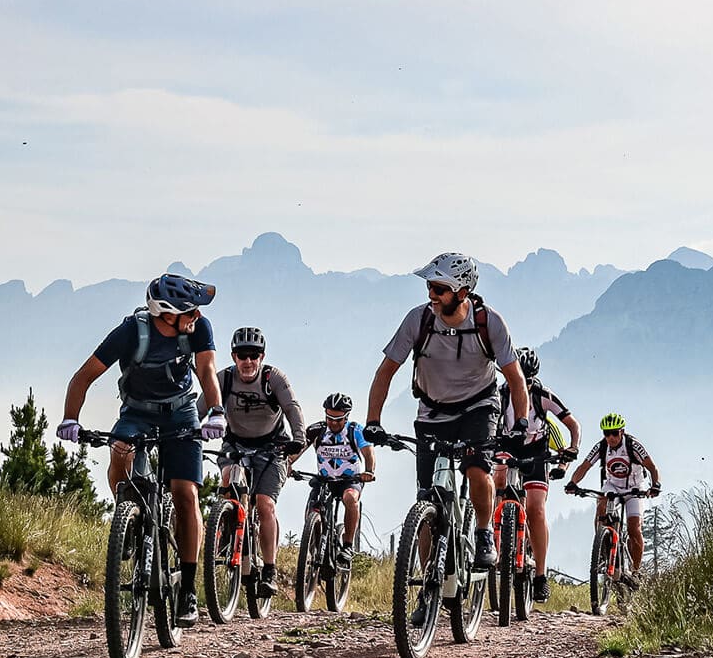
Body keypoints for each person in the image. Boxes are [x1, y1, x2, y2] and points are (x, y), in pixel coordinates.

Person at [57, 273, 225, 627]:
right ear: (167, 314)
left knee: (185, 494)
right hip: (137, 413)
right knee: (120, 452)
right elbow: (83, 377)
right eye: (189, 311)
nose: (196, 316)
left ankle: (188, 590)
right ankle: (129, 517)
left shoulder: (200, 329)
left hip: (181, 413)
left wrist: (216, 412)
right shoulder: (131, 332)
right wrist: (70, 419)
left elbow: (207, 370)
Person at [363, 252, 533, 571]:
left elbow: (515, 378)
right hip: (432, 411)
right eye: (429, 287)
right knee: (426, 499)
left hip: (479, 407)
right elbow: (385, 372)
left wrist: (521, 423)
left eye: (439, 289)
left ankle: (483, 533)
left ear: (462, 292)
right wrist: (373, 421)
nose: (432, 295)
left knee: (476, 469)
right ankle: (429, 583)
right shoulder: (419, 319)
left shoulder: (489, 322)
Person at [217, 326, 306, 599]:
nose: (248, 361)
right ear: (234, 356)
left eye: (253, 355)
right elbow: (201, 408)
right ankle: (225, 533)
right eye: (242, 355)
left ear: (262, 356)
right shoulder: (224, 379)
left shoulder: (273, 378)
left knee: (265, 504)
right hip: (236, 444)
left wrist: (299, 437)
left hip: (272, 446)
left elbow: (292, 408)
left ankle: (269, 570)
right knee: (228, 479)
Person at [492, 347, 581, 603]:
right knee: (495, 483)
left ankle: (540, 575)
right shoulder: (501, 394)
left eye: (528, 379)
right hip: (508, 445)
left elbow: (573, 424)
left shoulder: (543, 395)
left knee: (536, 509)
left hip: (536, 450)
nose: (523, 383)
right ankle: (497, 536)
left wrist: (572, 449)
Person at [564, 412, 662, 585]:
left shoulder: (633, 445)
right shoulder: (602, 447)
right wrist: (572, 482)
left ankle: (636, 571)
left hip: (635, 488)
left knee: (634, 528)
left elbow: (652, 467)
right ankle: (602, 546)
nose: (610, 437)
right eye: (606, 433)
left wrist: (656, 485)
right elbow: (584, 466)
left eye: (614, 433)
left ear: (622, 432)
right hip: (613, 486)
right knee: (601, 503)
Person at [296, 392, 376, 564]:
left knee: (350, 498)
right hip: (324, 480)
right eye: (329, 418)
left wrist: (369, 471)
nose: (333, 422)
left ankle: (347, 545)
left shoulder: (356, 431)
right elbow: (298, 450)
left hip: (350, 479)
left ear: (346, 417)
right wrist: (287, 464)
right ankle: (313, 540)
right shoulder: (317, 430)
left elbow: (368, 453)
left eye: (338, 419)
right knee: (312, 507)